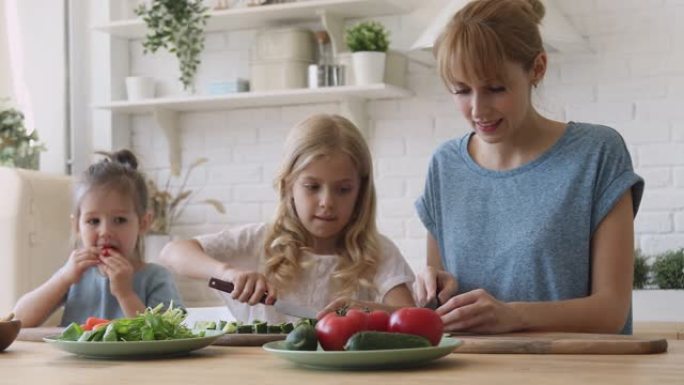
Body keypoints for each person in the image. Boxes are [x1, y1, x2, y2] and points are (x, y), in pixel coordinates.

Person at [413, 0, 644, 334]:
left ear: (537, 68)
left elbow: (611, 310)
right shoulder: (444, 165)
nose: (478, 109)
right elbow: (439, 311)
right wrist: (432, 289)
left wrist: (513, 315)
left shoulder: (597, 154)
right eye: (461, 90)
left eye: (495, 89)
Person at [159, 114, 415, 323]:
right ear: (288, 186)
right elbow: (172, 253)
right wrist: (226, 273)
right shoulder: (258, 241)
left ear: (361, 191)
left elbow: (413, 318)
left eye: (343, 189)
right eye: (312, 187)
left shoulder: (378, 252)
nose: (327, 201)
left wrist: (369, 311)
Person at [13, 150, 184, 327]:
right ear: (76, 226)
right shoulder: (74, 276)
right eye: (93, 221)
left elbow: (167, 334)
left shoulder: (156, 278)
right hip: (78, 356)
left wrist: (125, 294)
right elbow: (19, 320)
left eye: (119, 220)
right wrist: (63, 279)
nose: (105, 232)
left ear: (143, 223)